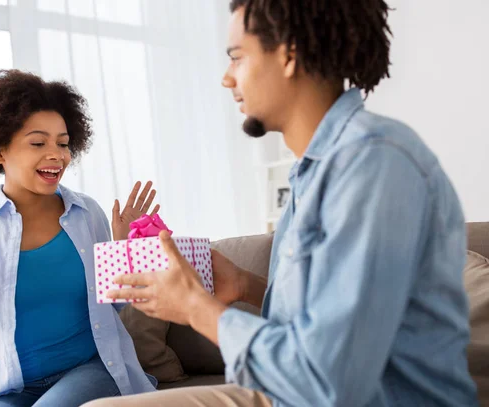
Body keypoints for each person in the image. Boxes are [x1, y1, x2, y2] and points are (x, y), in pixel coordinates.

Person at [86, 0, 479, 406]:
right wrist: (245, 285)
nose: (226, 79)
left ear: (289, 55)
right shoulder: (316, 171)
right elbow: (324, 318)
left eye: (237, 58)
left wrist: (194, 307)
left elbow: (330, 380)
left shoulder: (372, 164)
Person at [0, 69, 159, 407]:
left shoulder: (86, 213)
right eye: (38, 143)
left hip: (90, 371)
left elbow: (111, 308)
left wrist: (122, 251)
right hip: (7, 390)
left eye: (63, 143)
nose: (57, 155)